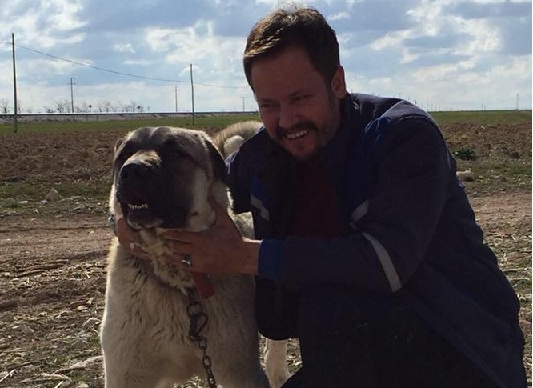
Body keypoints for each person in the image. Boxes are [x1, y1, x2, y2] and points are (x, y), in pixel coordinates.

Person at [118, 5, 526, 387]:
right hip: (356, 353)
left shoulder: (402, 139)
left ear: (338, 82)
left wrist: (243, 255)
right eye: (269, 105)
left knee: (330, 306)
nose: (286, 120)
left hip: (460, 346)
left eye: (300, 99)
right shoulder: (263, 155)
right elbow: (182, 179)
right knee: (326, 312)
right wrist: (123, 217)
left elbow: (382, 264)